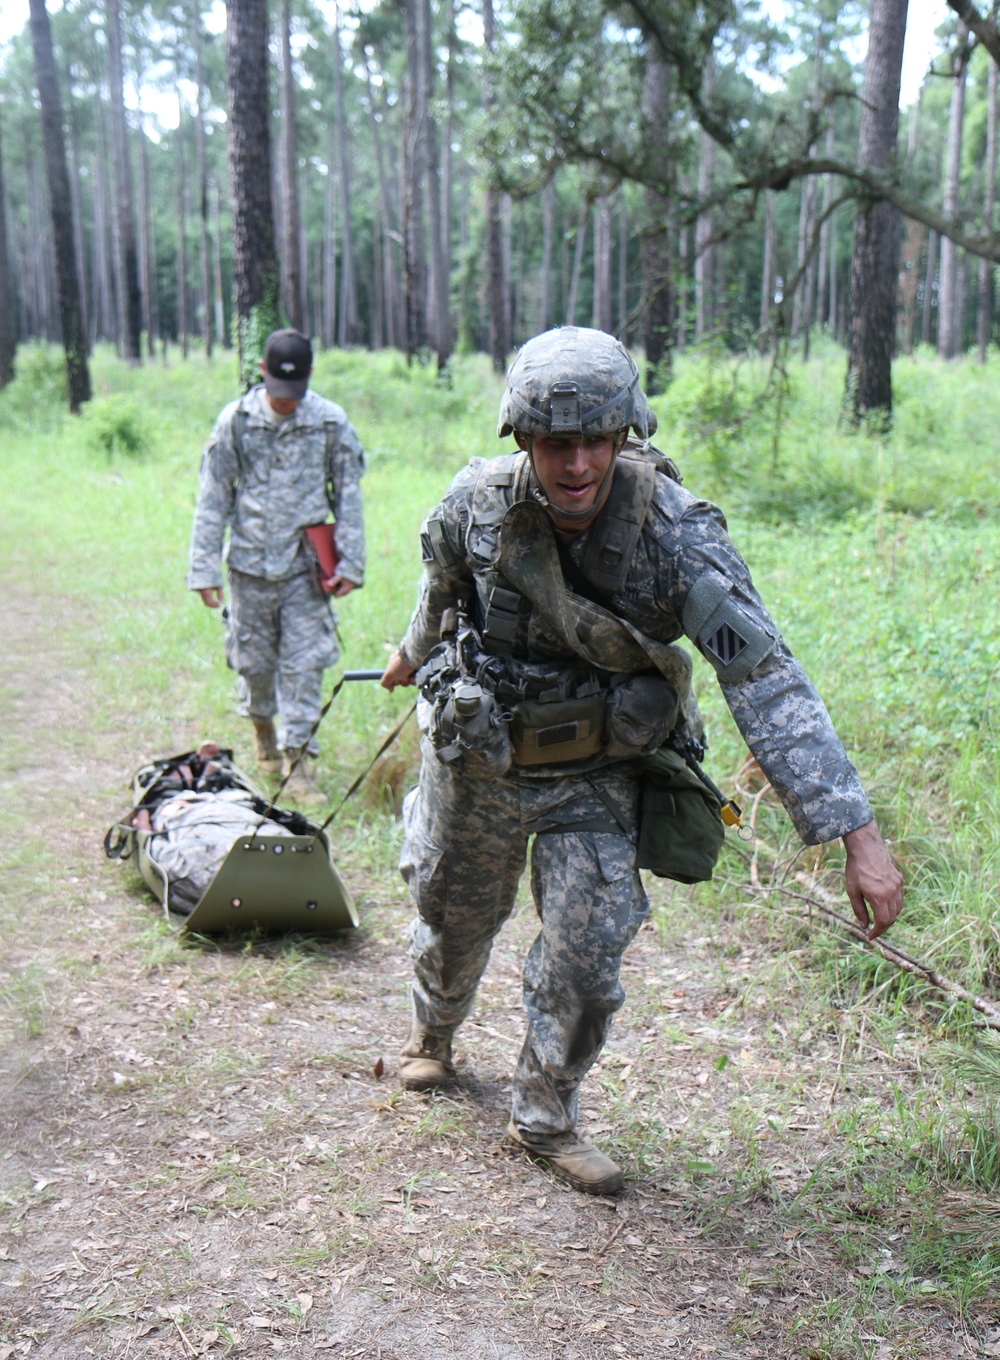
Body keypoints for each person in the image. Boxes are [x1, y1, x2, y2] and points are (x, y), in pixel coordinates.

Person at [381, 325, 903, 1197]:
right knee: (450, 914)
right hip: (482, 764)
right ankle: (433, 1034)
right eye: (556, 442)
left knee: (588, 960)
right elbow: (441, 588)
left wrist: (856, 833)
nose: (577, 463)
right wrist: (411, 650)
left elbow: (765, 679)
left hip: (596, 772)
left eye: (595, 440)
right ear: (523, 439)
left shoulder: (675, 536)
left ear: (626, 436)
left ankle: (544, 1113)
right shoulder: (476, 505)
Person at [187, 329, 366, 802]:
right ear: (262, 372)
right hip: (247, 569)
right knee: (255, 665)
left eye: (296, 392)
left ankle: (299, 763)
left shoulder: (329, 422)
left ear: (309, 378)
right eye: (278, 390)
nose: (286, 402)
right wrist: (203, 569)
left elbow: (347, 493)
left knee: (305, 665)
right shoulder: (237, 422)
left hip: (304, 571)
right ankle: (263, 733)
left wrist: (351, 561)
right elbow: (213, 497)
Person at [128, 743, 294, 915]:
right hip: (236, 811)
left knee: (170, 805)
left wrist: (142, 817)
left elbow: (153, 848)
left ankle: (179, 788)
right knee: (229, 802)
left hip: (192, 815)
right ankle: (202, 783)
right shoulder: (291, 854)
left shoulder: (196, 878)